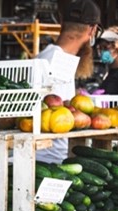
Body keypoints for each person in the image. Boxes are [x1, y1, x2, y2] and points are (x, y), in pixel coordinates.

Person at [36, 0, 103, 164]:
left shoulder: (46, 57)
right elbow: (62, 113)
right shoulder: (59, 63)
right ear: (92, 30)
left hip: (44, 156)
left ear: (62, 23)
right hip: (52, 160)